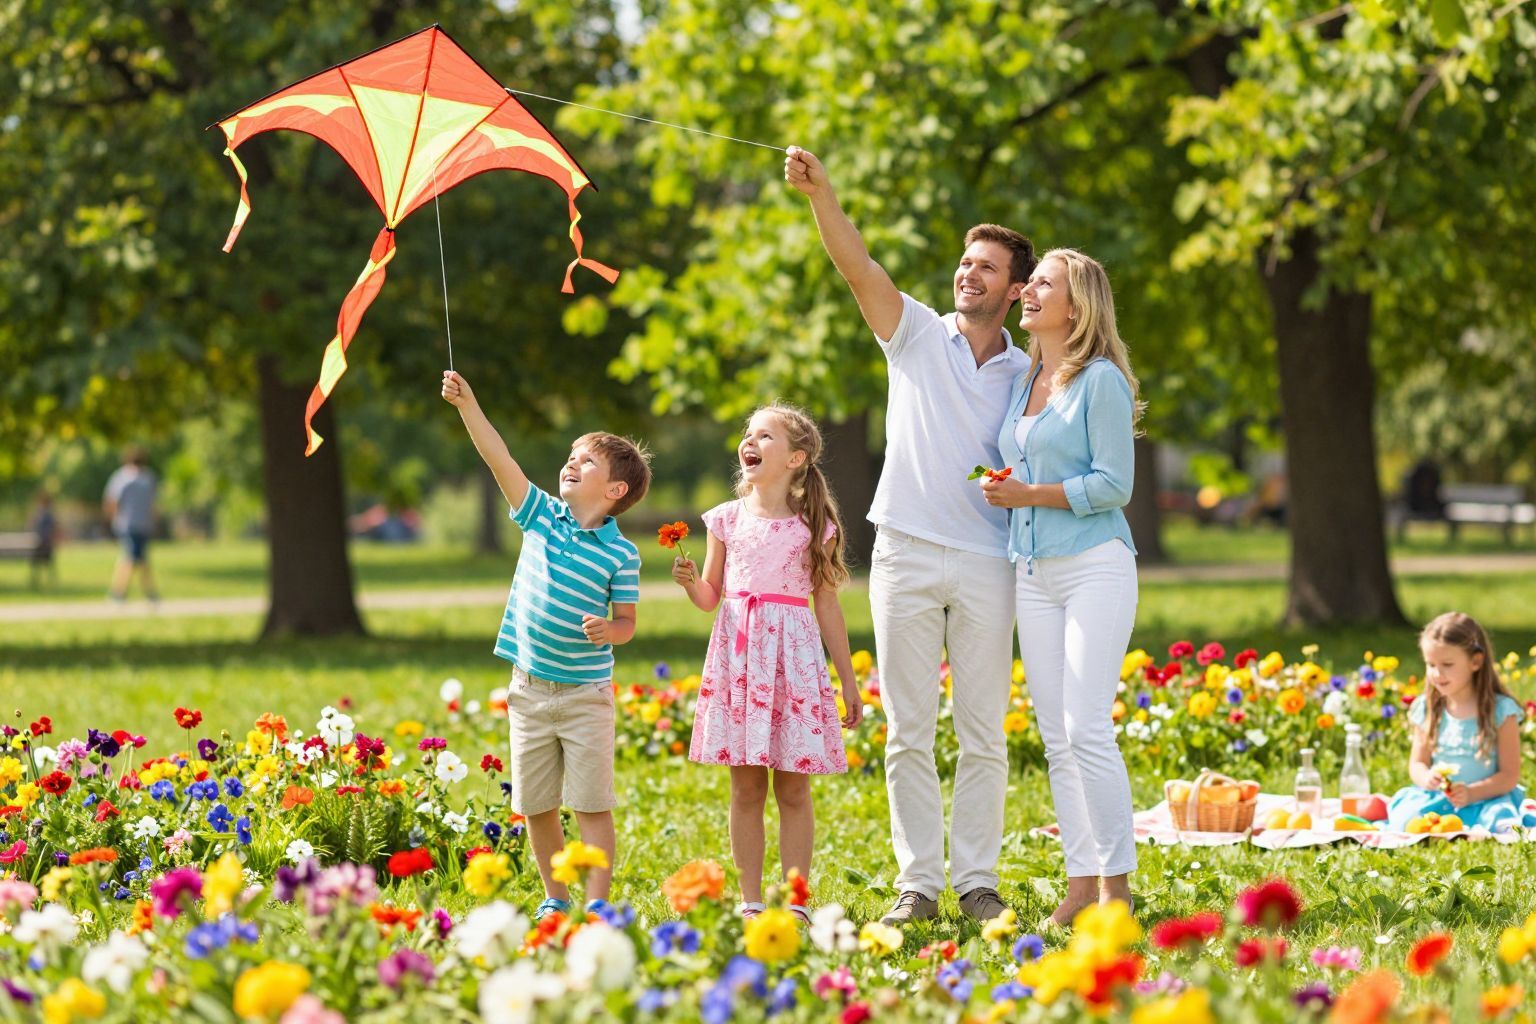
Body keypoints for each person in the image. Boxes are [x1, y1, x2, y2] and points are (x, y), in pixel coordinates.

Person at [786, 146, 1034, 925]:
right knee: (908, 732)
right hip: (905, 554)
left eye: (987, 266)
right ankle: (918, 885)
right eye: (965, 261)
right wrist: (823, 196)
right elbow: (858, 268)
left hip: (991, 561)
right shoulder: (916, 334)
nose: (969, 273)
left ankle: (978, 882)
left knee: (984, 733)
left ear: (1015, 290)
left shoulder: (1028, 373)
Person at [440, 369, 651, 920]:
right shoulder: (541, 516)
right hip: (529, 692)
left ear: (615, 491)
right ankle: (555, 900)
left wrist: (611, 631)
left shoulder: (621, 555)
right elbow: (500, 459)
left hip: (585, 697)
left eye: (587, 461)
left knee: (592, 805)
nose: (570, 464)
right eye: (571, 456)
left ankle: (598, 904)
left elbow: (627, 622)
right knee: (535, 805)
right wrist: (468, 406)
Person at [981, 248, 1142, 926]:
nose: (1027, 290)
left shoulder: (1099, 380)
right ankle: (1081, 885)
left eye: (1043, 283)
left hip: (1095, 564)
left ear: (1076, 306)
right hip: (1033, 571)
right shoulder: (1028, 377)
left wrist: (1030, 493)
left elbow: (1114, 484)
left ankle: (1116, 890)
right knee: (1055, 735)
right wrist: (1006, 489)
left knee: (1086, 727)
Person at [670, 404, 864, 922]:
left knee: (794, 787)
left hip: (792, 663)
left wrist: (847, 681)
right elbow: (710, 598)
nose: (750, 442)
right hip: (741, 659)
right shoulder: (726, 519)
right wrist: (691, 583)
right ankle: (751, 901)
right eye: (749, 434)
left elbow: (827, 604)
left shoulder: (813, 525)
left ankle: (795, 901)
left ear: (796, 458)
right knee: (747, 787)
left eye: (765, 436)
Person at [1386, 612, 1535, 833]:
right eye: (1430, 664)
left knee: (1502, 825)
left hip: (1485, 800)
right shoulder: (1428, 708)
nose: (1437, 674)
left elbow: (1509, 776)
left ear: (1475, 661)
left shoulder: (1501, 711)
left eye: (1447, 664)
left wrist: (1472, 793)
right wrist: (1426, 777)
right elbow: (1417, 763)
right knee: (1404, 820)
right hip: (1438, 799)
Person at [103, 446, 159, 602]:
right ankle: (147, 592)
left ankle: (120, 592)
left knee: (132, 558)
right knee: (136, 558)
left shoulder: (122, 477)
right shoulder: (148, 478)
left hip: (127, 523)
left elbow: (111, 501)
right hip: (143, 524)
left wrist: (112, 519)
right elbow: (153, 504)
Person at [29, 491, 58, 589]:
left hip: (45, 543)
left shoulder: (47, 515)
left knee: (47, 563)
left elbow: (52, 529)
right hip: (40, 543)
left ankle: (50, 582)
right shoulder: (39, 514)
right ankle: (36, 581)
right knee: (38, 563)